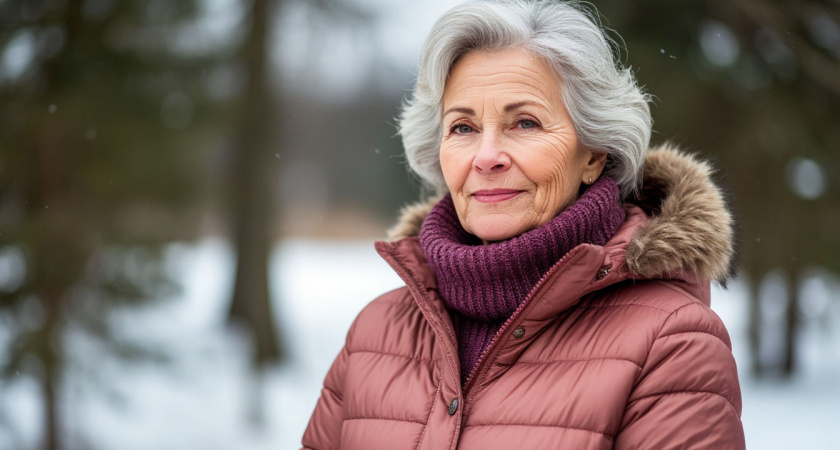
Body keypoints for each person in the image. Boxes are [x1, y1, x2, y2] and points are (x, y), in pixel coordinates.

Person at [302, 1, 745, 448]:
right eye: (462, 128)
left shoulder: (671, 342)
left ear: (593, 153)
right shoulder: (375, 332)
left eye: (525, 123)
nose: (486, 156)